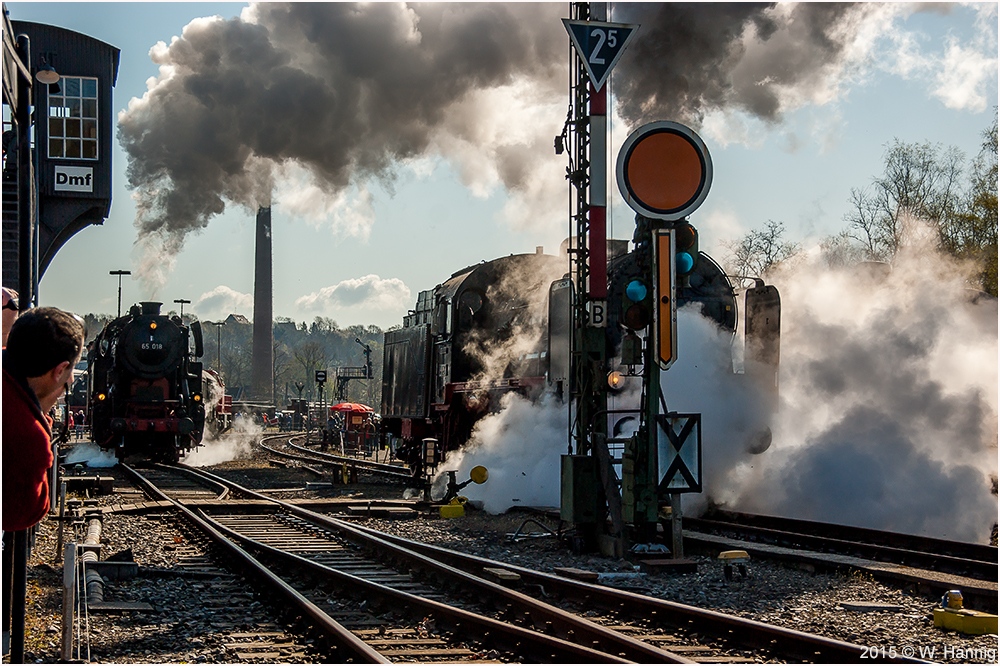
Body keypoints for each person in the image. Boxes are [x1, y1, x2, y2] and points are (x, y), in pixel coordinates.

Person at [2, 307, 85, 531]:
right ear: (60, 371)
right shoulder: (29, 436)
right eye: (72, 371)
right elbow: (25, 513)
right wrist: (41, 414)